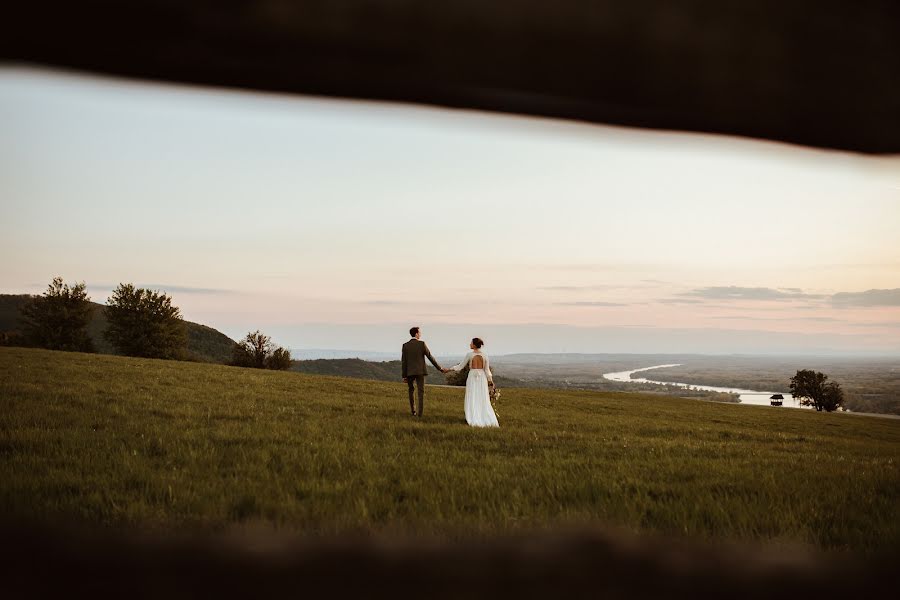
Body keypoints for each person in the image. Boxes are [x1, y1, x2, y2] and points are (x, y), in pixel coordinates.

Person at [447, 337, 499, 428]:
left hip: (472, 377)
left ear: (474, 345)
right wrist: (490, 381)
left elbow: (460, 366)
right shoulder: (485, 355)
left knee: (472, 396)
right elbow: (487, 370)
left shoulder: (469, 354)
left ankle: (472, 415)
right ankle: (483, 416)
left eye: (471, 343)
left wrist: (449, 369)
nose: (470, 344)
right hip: (482, 377)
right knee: (482, 397)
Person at [401, 326, 447, 417]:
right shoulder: (422, 344)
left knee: (411, 390)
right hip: (420, 372)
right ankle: (420, 414)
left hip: (409, 372)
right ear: (416, 334)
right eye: (420, 332)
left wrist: (404, 375)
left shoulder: (405, 345)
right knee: (420, 392)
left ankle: (413, 411)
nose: (420, 334)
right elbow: (430, 357)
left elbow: (404, 361)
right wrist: (439, 368)